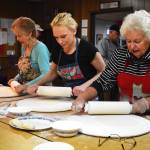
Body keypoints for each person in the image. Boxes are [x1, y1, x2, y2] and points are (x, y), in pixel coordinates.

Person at [72, 10, 150, 114]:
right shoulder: (120, 55)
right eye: (128, 41)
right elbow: (102, 81)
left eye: (137, 41)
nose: (131, 46)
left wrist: (146, 103)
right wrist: (82, 97)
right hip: (125, 115)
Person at [27, 12, 105, 96]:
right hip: (68, 96)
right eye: (56, 37)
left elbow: (104, 71)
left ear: (74, 31)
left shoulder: (87, 49)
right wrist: (37, 84)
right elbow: (53, 72)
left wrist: (84, 86)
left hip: (89, 96)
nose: (60, 41)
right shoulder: (57, 50)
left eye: (63, 36)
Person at [8, 17, 51, 94]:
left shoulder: (41, 48)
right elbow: (24, 71)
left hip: (41, 92)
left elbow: (46, 74)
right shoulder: (23, 47)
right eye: (16, 36)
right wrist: (15, 80)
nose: (17, 39)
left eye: (19, 35)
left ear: (30, 34)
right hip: (28, 92)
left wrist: (26, 85)